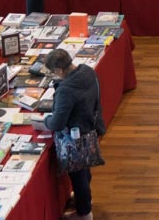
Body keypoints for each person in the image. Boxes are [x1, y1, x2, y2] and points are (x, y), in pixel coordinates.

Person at [40, 47, 104, 220]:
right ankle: (85, 201)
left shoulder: (66, 90)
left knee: (78, 176)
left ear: (59, 70)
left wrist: (44, 122)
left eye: (53, 72)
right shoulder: (88, 71)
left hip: (74, 139)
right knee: (85, 170)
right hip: (89, 130)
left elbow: (57, 123)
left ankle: (84, 213)